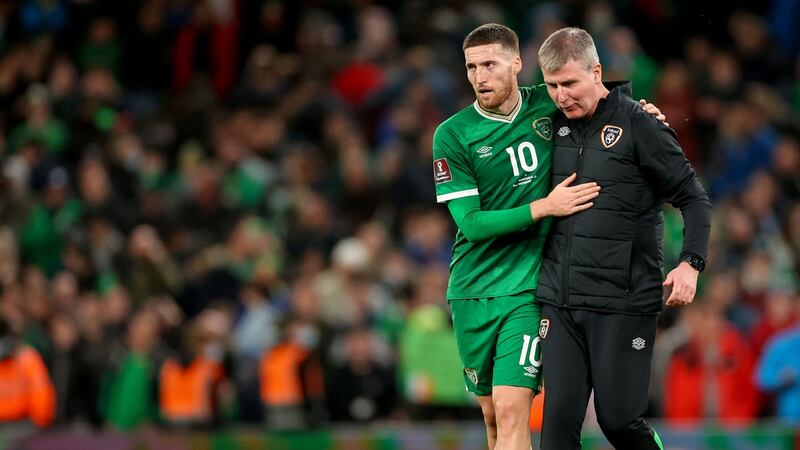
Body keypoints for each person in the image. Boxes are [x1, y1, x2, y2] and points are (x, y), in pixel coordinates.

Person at [432, 23, 664, 450]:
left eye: (490, 64)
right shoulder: (452, 134)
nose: (480, 76)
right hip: (471, 288)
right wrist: (544, 207)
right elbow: (471, 224)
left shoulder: (549, 101)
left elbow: (602, 97)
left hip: (528, 289)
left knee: (510, 407)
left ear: (518, 65)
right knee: (491, 417)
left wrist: (643, 114)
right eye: (471, 67)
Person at [534, 27, 712, 450]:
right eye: (552, 86)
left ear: (597, 72)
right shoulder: (546, 123)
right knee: (555, 430)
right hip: (560, 302)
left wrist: (691, 263)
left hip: (624, 301)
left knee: (618, 422)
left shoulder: (640, 123)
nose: (561, 96)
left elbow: (694, 198)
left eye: (570, 84)